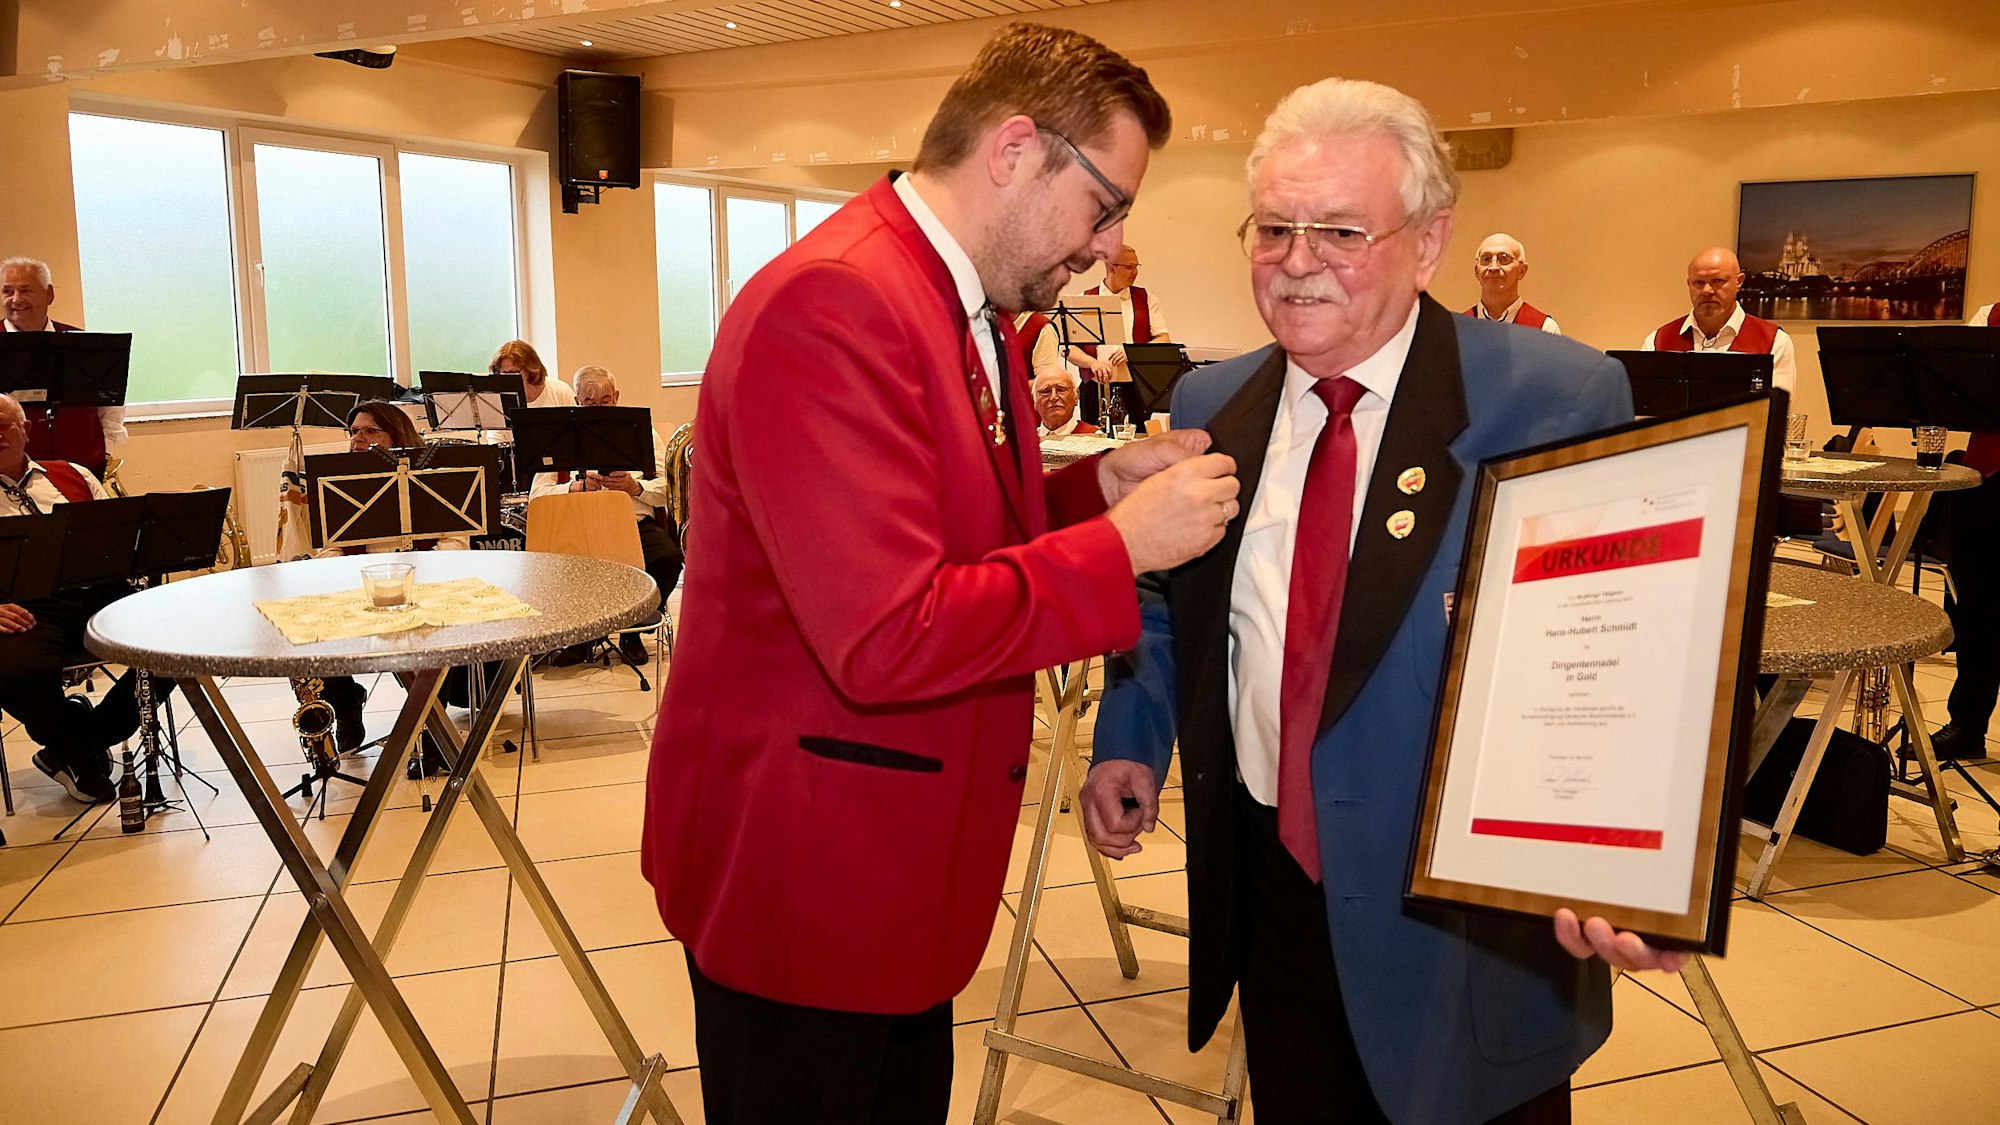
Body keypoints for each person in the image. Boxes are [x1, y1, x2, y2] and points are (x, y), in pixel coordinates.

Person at [641, 23, 1237, 1125]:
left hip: (891, 873)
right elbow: (884, 632)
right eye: (1105, 206)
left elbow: (948, 531)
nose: (1107, 248)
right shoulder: (837, 302)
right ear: (1015, 149)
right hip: (809, 876)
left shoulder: (954, 302)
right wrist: (1124, 549)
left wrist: (1095, 491)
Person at [1081, 78, 1678, 1125]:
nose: (1296, 259)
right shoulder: (1209, 404)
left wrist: (1635, 862)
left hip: (1462, 923)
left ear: (1428, 240)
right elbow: (1171, 594)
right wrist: (1128, 737)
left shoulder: (1552, 395)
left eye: (1340, 230)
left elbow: (1628, 649)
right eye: (1272, 227)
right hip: (1272, 892)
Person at [0, 392, 165, 803]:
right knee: (17, 672)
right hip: (24, 610)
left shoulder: (72, 474)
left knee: (180, 644)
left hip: (99, 593)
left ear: (26, 429)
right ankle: (79, 748)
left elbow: (119, 538)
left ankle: (79, 744)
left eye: (4, 424)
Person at [527, 365, 683, 666]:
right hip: (576, 529)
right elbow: (537, 497)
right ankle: (583, 637)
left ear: (617, 398)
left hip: (632, 523)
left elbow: (669, 489)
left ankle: (632, 630)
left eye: (606, 402)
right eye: (590, 403)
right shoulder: (557, 435)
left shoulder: (641, 431)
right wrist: (575, 487)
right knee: (561, 570)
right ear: (576, 402)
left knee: (668, 558)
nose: (598, 409)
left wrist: (634, 487)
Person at [1927, 299, 2000, 761]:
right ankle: (1968, 725)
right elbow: (1956, 390)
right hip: (1987, 479)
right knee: (1977, 611)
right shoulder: (1987, 317)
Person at [2, 256, 128, 479]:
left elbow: (110, 409)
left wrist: (102, 451)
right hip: (10, 480)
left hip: (83, 472)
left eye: (25, 290)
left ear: (49, 294)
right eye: (8, 291)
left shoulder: (86, 345)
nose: (16, 299)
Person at [1640, 247, 1795, 394]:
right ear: (1689, 284)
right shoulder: (1656, 342)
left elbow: (1777, 413)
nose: (1707, 291)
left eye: (1718, 281)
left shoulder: (1774, 342)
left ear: (1739, 282)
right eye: (1698, 283)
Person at [1075, 243, 1173, 425]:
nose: (1135, 272)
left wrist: (1133, 352)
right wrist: (1092, 363)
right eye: (1129, 267)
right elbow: (1069, 348)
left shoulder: (1147, 299)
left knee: (1137, 444)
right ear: (1111, 267)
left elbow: (1163, 339)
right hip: (1095, 388)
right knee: (1095, 445)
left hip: (1137, 388)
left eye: (1137, 266)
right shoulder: (1084, 300)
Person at [1461, 233, 1561, 334]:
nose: (1493, 267)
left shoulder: (1545, 329)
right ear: (1476, 271)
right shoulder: (1456, 329)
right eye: (1486, 259)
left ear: (1522, 271)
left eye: (1504, 258)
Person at [489, 339, 574, 407]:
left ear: (530, 369)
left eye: (513, 372)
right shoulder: (496, 400)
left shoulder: (560, 391)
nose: (508, 378)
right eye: (504, 373)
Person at [1032, 367, 1097, 437]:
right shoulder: (1025, 440)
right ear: (1034, 400)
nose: (1053, 397)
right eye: (1046, 391)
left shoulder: (1095, 437)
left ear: (1076, 396)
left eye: (1061, 390)